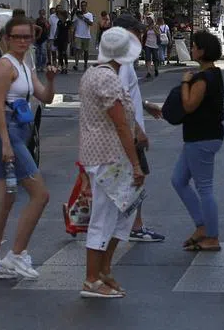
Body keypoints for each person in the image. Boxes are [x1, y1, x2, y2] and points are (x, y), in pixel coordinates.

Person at [0, 16, 56, 280]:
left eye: (27, 37)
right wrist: (7, 143)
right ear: (6, 39)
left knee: (5, 200)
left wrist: (51, 79)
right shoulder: (4, 66)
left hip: (18, 131)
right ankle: (17, 254)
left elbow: (44, 97)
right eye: (17, 37)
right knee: (40, 195)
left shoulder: (25, 63)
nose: (23, 41)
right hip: (7, 131)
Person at [77, 27, 147, 298]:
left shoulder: (93, 74)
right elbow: (119, 125)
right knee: (105, 218)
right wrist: (136, 164)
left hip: (103, 156)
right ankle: (91, 279)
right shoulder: (107, 79)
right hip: (110, 157)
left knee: (121, 214)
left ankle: (103, 271)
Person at [110, 15, 165, 243]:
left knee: (130, 178)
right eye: (137, 34)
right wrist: (136, 130)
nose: (141, 39)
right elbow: (118, 97)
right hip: (127, 131)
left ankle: (134, 224)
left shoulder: (124, 61)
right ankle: (134, 226)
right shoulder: (122, 63)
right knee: (136, 176)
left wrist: (145, 105)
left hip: (128, 128)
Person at [172, 30, 224, 253]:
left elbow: (189, 105)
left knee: (204, 187)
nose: (191, 49)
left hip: (202, 137)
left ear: (202, 51)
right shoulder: (213, 73)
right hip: (199, 136)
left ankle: (212, 235)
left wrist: (185, 83)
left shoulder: (203, 78)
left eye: (194, 46)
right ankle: (202, 226)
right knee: (178, 180)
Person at [73, 1, 95, 70]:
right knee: (77, 49)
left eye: (84, 5)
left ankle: (85, 64)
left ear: (86, 6)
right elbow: (73, 24)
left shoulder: (89, 14)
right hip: (78, 34)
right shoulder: (77, 14)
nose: (83, 7)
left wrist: (83, 17)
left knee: (86, 51)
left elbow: (91, 23)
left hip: (86, 35)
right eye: (82, 6)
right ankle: (76, 64)